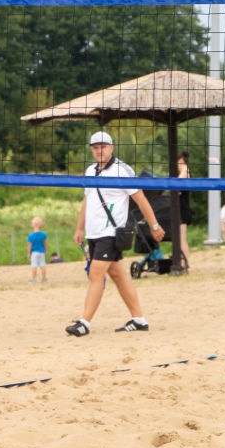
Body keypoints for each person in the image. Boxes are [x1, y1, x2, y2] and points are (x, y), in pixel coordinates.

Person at [65, 132, 165, 337]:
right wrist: (79, 228)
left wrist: (154, 226)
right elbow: (88, 201)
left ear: (111, 147)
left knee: (95, 274)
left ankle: (84, 323)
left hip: (111, 232)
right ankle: (139, 320)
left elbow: (141, 198)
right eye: (95, 147)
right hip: (94, 233)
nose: (99, 150)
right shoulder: (91, 170)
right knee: (119, 276)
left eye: (103, 146)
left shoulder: (122, 170)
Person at [177, 150, 192, 274]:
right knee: (181, 237)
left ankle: (185, 263)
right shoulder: (185, 172)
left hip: (182, 209)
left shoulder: (184, 172)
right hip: (182, 208)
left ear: (180, 161)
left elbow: (175, 187)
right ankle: (184, 262)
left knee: (181, 238)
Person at [27, 217, 48, 283]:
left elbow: (29, 246)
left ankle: (34, 279)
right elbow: (45, 244)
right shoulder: (43, 234)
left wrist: (28, 253)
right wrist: (45, 251)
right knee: (42, 265)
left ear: (32, 225)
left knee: (34, 266)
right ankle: (44, 279)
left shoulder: (31, 235)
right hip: (41, 252)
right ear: (41, 225)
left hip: (34, 253)